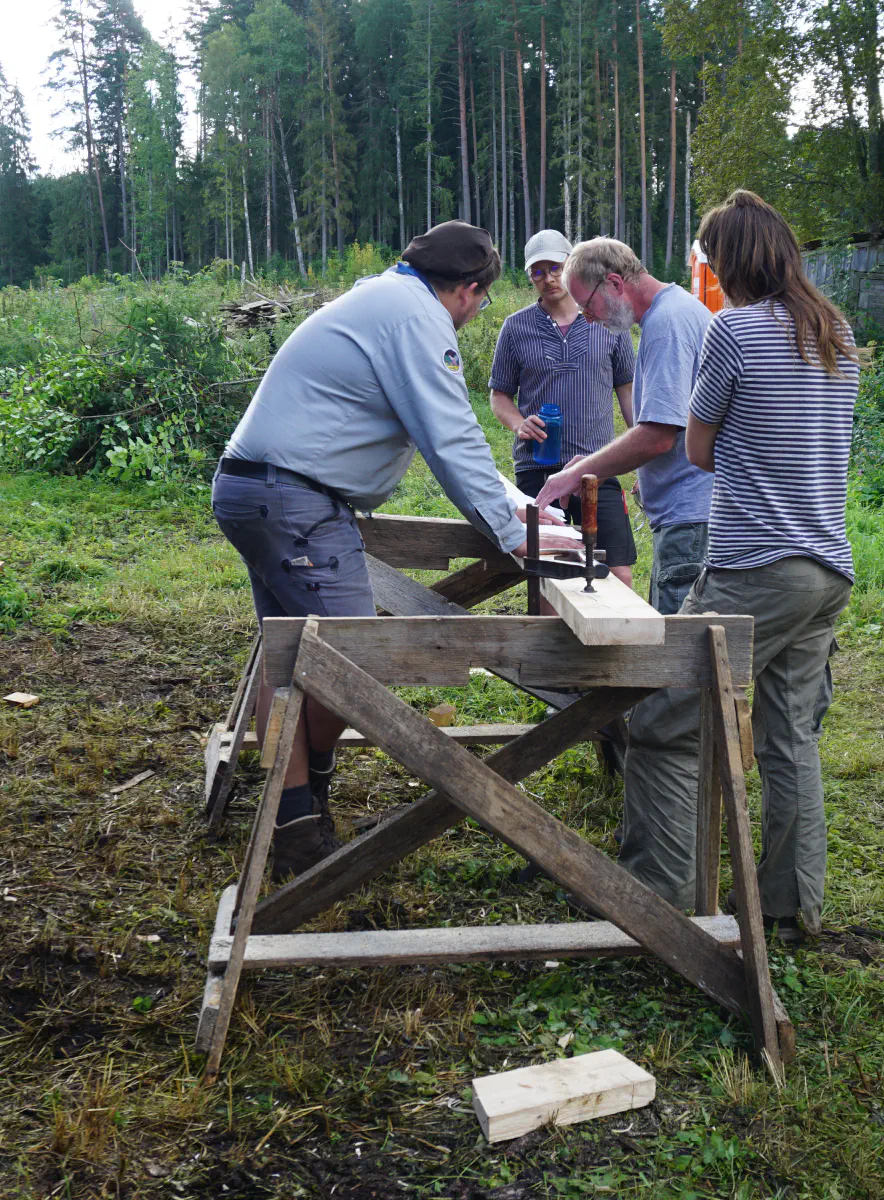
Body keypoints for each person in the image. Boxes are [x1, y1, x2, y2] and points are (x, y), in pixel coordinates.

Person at [213, 221, 545, 880]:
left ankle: (297, 821)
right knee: (351, 668)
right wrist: (521, 538)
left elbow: (448, 439)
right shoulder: (417, 319)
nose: (477, 316)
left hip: (258, 488)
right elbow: (450, 441)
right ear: (469, 291)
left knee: (286, 660)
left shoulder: (386, 298)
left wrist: (513, 511)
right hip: (294, 498)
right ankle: (301, 811)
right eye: (481, 303)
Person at [621, 190, 861, 946]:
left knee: (662, 720)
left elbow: (696, 450)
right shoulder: (837, 331)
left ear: (729, 262)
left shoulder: (733, 330)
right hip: (826, 567)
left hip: (754, 562)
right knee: (790, 739)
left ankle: (657, 901)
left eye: (712, 258)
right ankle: (793, 909)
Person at [533, 237, 713, 618]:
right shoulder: (668, 314)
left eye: (587, 304)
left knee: (679, 658)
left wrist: (579, 473)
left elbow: (657, 436)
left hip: (691, 516)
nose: (587, 317)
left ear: (614, 283)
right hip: (685, 515)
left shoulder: (668, 322)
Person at [489, 230, 639, 590]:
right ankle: (553, 647)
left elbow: (628, 391)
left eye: (555, 267)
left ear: (570, 266)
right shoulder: (516, 328)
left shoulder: (607, 321)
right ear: (529, 277)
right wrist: (519, 424)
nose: (548, 278)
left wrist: (640, 459)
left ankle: (614, 643)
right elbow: (499, 396)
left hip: (596, 467)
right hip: (537, 470)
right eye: (537, 272)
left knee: (617, 571)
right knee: (548, 575)